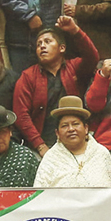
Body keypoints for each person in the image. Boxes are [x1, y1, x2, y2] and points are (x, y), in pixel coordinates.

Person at [14, 16, 100, 155]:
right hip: (42, 145)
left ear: (62, 48)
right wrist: (40, 146)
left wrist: (75, 31)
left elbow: (93, 56)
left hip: (76, 140)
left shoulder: (74, 67)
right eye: (39, 44)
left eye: (47, 42)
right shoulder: (28, 76)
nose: (42, 46)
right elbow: (21, 114)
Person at [33, 96, 111, 188]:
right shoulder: (50, 158)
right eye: (65, 126)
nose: (71, 129)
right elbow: (40, 194)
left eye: (75, 124)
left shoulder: (101, 154)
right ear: (57, 133)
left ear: (86, 128)